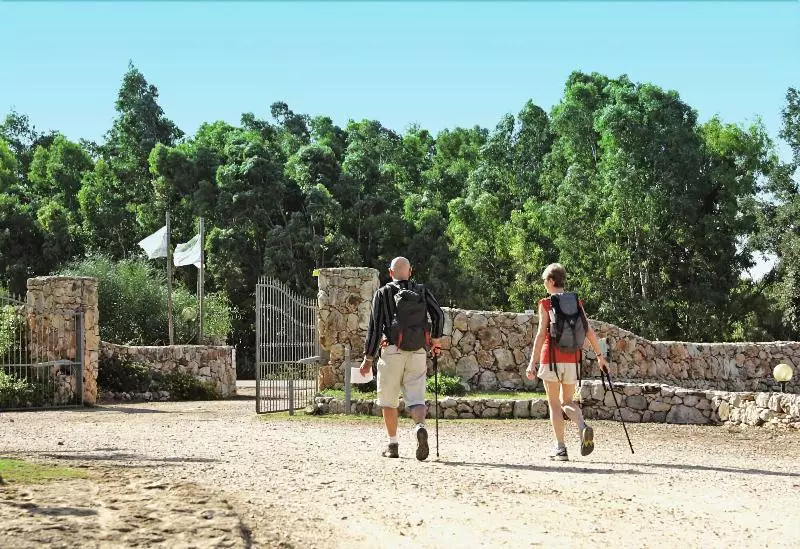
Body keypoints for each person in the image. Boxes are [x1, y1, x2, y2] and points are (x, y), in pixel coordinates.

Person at [359, 257, 444, 460]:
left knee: (388, 401)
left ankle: (393, 445)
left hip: (391, 351)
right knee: (416, 398)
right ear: (410, 271)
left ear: (390, 273)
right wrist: (436, 340)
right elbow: (439, 315)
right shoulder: (421, 291)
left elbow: (375, 328)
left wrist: (368, 358)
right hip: (417, 351)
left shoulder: (383, 293)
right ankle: (420, 427)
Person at [526, 263, 609, 461]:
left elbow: (540, 336)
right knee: (567, 401)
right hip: (573, 359)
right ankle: (582, 426)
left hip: (551, 359)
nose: (544, 284)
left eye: (545, 280)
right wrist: (600, 356)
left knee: (555, 404)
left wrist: (532, 363)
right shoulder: (577, 302)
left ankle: (561, 448)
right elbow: (589, 331)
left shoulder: (546, 304)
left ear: (552, 281)